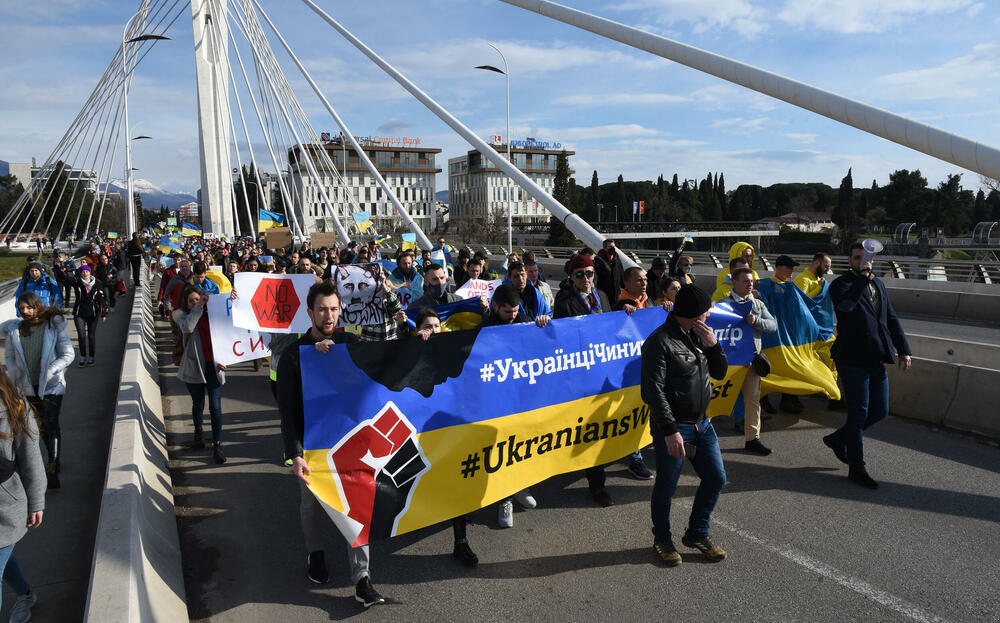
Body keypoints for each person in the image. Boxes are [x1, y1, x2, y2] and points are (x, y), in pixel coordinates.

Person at [276, 281, 388, 607]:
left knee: (356, 507)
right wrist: (295, 454)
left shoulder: (350, 344)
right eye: (322, 309)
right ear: (310, 312)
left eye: (334, 309)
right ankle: (315, 553)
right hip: (312, 448)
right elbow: (287, 412)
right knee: (311, 505)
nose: (329, 315)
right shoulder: (293, 357)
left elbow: (387, 362)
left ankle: (362, 579)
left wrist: (424, 339)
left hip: (350, 444)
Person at [641, 284, 729, 565]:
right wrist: (670, 430)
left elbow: (719, 372)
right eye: (706, 311)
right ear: (693, 314)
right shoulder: (659, 341)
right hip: (675, 426)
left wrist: (714, 346)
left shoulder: (701, 336)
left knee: (716, 478)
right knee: (667, 486)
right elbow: (652, 391)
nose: (709, 315)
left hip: (703, 423)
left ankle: (697, 533)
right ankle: (662, 539)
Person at [825, 242, 911, 489]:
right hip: (851, 359)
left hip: (876, 357)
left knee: (880, 410)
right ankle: (857, 468)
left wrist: (904, 349)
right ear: (849, 261)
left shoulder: (879, 284)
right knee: (858, 413)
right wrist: (862, 278)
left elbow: (890, 318)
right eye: (857, 258)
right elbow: (845, 307)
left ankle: (838, 438)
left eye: (866, 258)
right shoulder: (841, 284)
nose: (862, 262)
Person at [410, 307, 480, 565]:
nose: (433, 331)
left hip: (449, 427)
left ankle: (460, 541)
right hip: (422, 430)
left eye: (437, 326)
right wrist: (415, 345)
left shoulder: (451, 348)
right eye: (427, 327)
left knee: (455, 479)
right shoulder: (409, 351)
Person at [480, 284, 547, 527]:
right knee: (502, 451)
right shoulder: (484, 330)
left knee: (522, 447)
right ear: (495, 307)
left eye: (516, 311)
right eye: (507, 312)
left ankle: (520, 487)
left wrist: (542, 326)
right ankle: (504, 499)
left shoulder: (526, 321)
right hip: (497, 402)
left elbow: (542, 347)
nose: (512, 316)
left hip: (522, 398)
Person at [553, 254, 617, 507]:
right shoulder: (565, 300)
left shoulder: (601, 296)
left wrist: (627, 313)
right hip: (581, 373)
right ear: (571, 276)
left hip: (603, 369)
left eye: (589, 273)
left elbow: (613, 325)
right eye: (579, 274)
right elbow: (563, 335)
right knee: (591, 428)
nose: (586, 278)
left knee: (602, 425)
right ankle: (597, 485)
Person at [2, 293, 74, 489]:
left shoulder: (52, 326)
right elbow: (9, 357)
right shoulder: (15, 330)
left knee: (50, 422)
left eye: (28, 307)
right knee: (37, 426)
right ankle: (49, 459)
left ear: (36, 306)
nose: (25, 311)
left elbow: (68, 354)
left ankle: (53, 465)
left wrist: (51, 371)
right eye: (21, 308)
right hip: (27, 388)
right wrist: (15, 375)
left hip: (52, 386)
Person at [0, 366, 46, 623]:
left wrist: (36, 501)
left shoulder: (14, 405)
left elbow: (31, 458)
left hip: (4, 508)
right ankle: (26, 595)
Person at [173, 285, 227, 464]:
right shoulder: (184, 317)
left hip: (214, 367)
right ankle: (198, 436)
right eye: (191, 301)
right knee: (198, 404)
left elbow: (228, 334)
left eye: (198, 299)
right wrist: (199, 308)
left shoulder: (214, 315)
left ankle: (217, 445)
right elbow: (188, 328)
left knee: (215, 407)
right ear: (187, 304)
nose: (195, 302)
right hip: (194, 367)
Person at [725, 267, 777, 455]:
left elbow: (772, 325)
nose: (750, 285)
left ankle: (752, 438)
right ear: (735, 282)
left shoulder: (758, 305)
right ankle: (700, 438)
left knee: (753, 401)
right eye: (746, 281)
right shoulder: (723, 305)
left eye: (752, 281)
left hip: (752, 362)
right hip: (728, 364)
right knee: (713, 400)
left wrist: (756, 321)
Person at [69, 265, 109, 367]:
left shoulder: (97, 283)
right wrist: (62, 268)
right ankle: (82, 357)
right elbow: (65, 279)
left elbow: (101, 299)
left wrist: (103, 313)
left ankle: (91, 357)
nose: (85, 273)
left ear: (90, 272)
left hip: (93, 313)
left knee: (91, 336)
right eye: (83, 272)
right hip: (79, 312)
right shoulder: (77, 282)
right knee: (81, 335)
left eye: (87, 271)